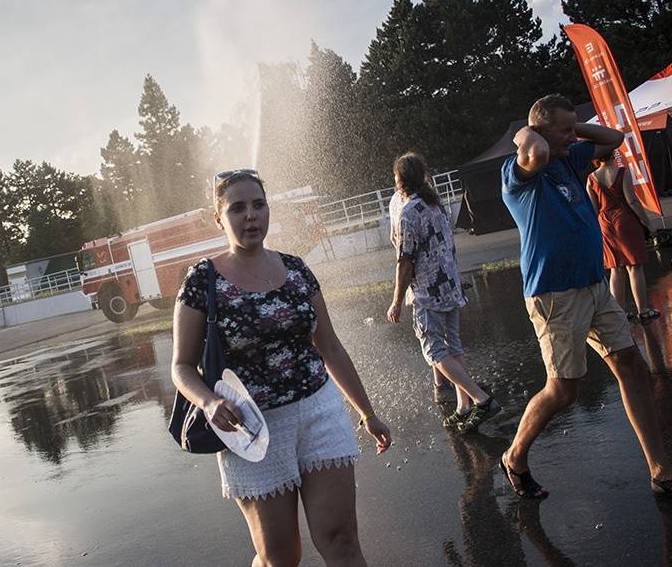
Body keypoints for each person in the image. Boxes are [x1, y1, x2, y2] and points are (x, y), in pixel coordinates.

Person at [498, 94, 672, 503]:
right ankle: (514, 456)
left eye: (573, 130)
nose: (573, 137)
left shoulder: (568, 159)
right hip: (554, 294)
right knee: (564, 390)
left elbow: (614, 138)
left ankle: (662, 473)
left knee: (631, 367)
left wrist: (571, 129)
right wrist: (529, 132)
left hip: (595, 285)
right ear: (540, 132)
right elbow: (536, 149)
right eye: (563, 130)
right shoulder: (519, 174)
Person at [173, 169, 392, 567]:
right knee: (280, 556)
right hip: (252, 430)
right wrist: (207, 403)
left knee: (341, 540)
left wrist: (368, 413)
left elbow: (331, 348)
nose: (251, 216)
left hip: (319, 412)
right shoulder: (201, 279)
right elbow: (182, 367)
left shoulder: (296, 269)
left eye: (258, 205)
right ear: (219, 218)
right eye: (237, 208)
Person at [386, 152, 501, 433]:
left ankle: (481, 399)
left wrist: (397, 301)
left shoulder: (408, 213)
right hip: (448, 287)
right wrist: (456, 277)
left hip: (428, 292)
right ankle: (462, 407)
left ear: (400, 180)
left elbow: (405, 261)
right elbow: (447, 247)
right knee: (454, 345)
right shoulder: (436, 205)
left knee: (435, 352)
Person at [389, 188, 454, 404]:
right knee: (442, 341)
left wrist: (397, 301)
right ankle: (450, 389)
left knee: (437, 343)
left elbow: (403, 252)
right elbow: (403, 251)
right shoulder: (413, 203)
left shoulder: (417, 203)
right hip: (434, 283)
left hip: (430, 283)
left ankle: (462, 392)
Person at [587, 155, 660, 321]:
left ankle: (620, 313)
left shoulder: (591, 178)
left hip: (604, 222)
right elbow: (632, 201)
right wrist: (647, 223)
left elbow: (593, 208)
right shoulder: (622, 173)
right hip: (625, 220)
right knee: (634, 266)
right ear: (613, 153)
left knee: (615, 268)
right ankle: (643, 310)